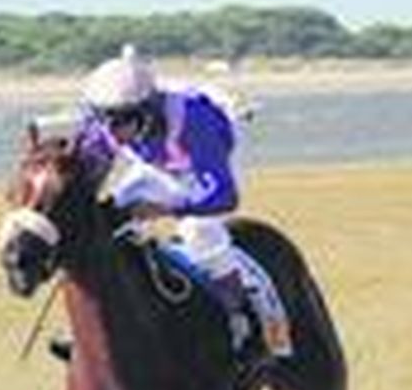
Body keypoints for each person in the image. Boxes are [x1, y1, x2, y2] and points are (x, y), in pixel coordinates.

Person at [75, 44, 291, 358]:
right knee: (106, 217)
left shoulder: (195, 120)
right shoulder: (110, 118)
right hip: (159, 167)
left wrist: (164, 209)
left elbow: (225, 198)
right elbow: (91, 166)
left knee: (198, 233)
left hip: (206, 166)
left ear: (147, 111)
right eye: (104, 122)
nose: (112, 134)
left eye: (120, 123)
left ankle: (242, 315)